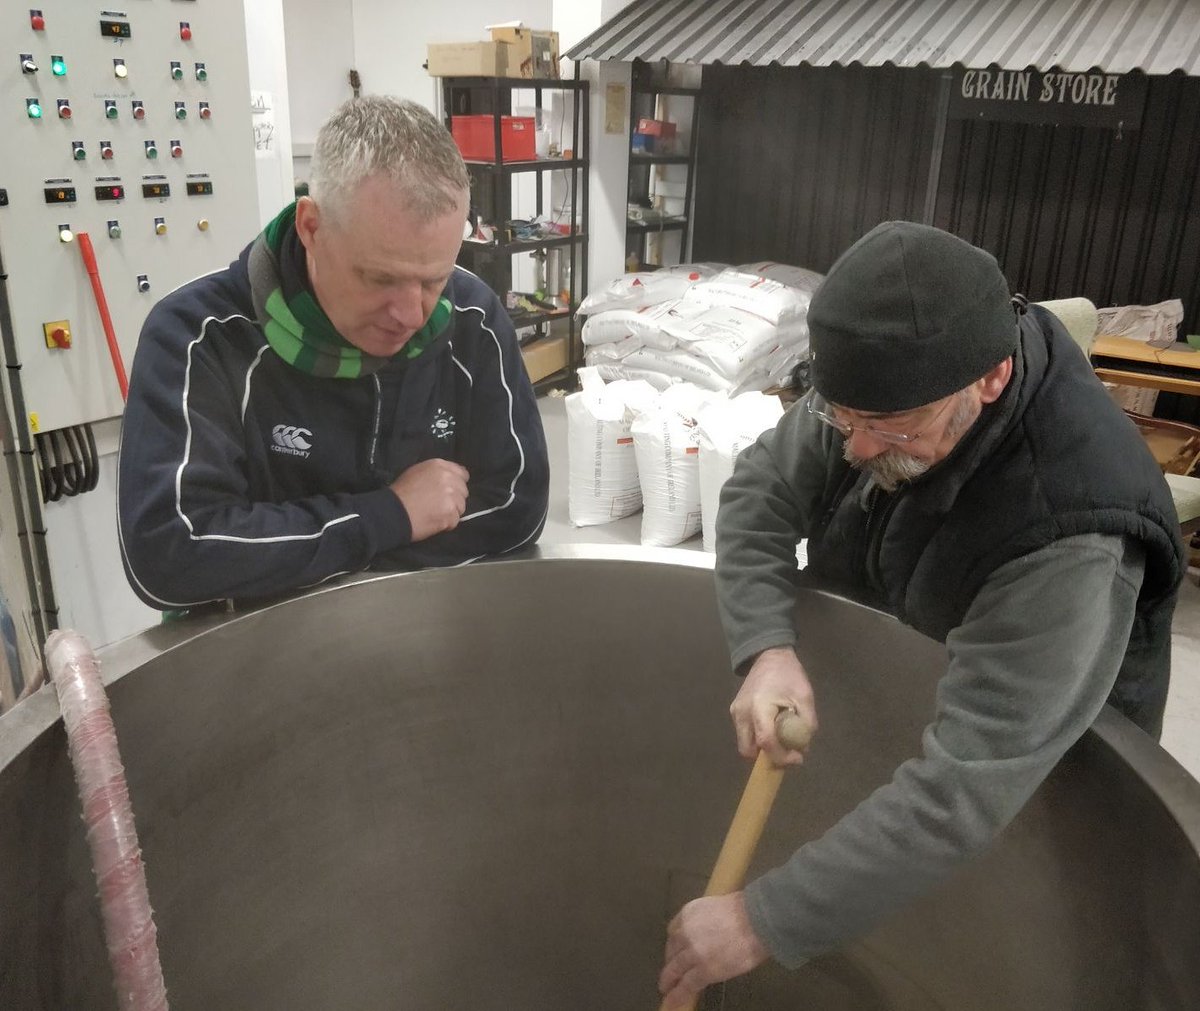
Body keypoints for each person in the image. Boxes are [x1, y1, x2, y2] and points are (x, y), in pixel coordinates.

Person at [658, 221, 1184, 1006]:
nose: (861, 450)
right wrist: (767, 646)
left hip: (1035, 780)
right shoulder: (879, 388)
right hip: (922, 723)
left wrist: (762, 919)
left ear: (991, 378)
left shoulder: (1071, 532)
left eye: (892, 428)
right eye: (844, 419)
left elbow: (962, 794)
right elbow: (759, 496)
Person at [118, 96, 549, 609]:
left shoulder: (472, 319)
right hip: (251, 647)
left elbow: (516, 507)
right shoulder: (200, 336)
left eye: (434, 280)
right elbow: (171, 551)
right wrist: (390, 515)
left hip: (429, 630)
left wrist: (296, 561)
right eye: (380, 278)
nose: (411, 314)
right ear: (311, 227)